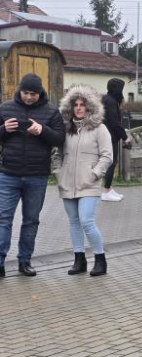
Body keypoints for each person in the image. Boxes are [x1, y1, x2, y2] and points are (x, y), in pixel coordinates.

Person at [0, 73, 66, 277]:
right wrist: (3, 129)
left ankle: (25, 261)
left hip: (37, 175)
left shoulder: (51, 111)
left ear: (40, 93)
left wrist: (43, 130)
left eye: (33, 94)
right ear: (20, 91)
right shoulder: (5, 107)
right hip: (8, 173)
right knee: (3, 219)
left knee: (31, 220)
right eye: (26, 93)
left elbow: (60, 138)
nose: (29, 97)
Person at [52, 85, 113, 276]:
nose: (79, 108)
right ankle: (79, 260)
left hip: (89, 184)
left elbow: (107, 156)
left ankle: (100, 259)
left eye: (82, 105)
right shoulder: (65, 129)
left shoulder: (99, 129)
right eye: (75, 105)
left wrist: (94, 174)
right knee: (73, 222)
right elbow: (57, 153)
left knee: (86, 220)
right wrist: (58, 173)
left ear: (90, 107)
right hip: (67, 184)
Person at [101, 78, 133, 202]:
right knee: (111, 162)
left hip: (108, 135)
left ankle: (109, 188)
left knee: (112, 162)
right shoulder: (110, 101)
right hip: (110, 136)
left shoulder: (107, 99)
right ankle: (106, 190)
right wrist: (125, 137)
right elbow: (114, 123)